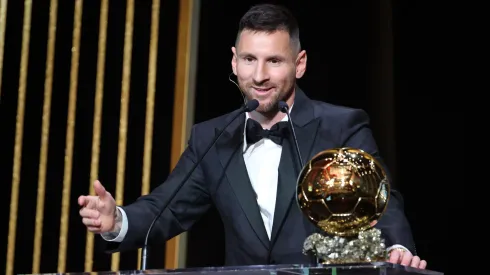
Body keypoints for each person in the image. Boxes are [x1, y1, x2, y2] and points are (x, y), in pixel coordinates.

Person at [78, 3, 427, 269]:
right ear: (234, 62)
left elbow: (381, 199)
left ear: (299, 64)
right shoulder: (212, 137)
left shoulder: (341, 125)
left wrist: (399, 248)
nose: (259, 75)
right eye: (249, 59)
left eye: (274, 61)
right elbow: (164, 210)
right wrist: (116, 220)